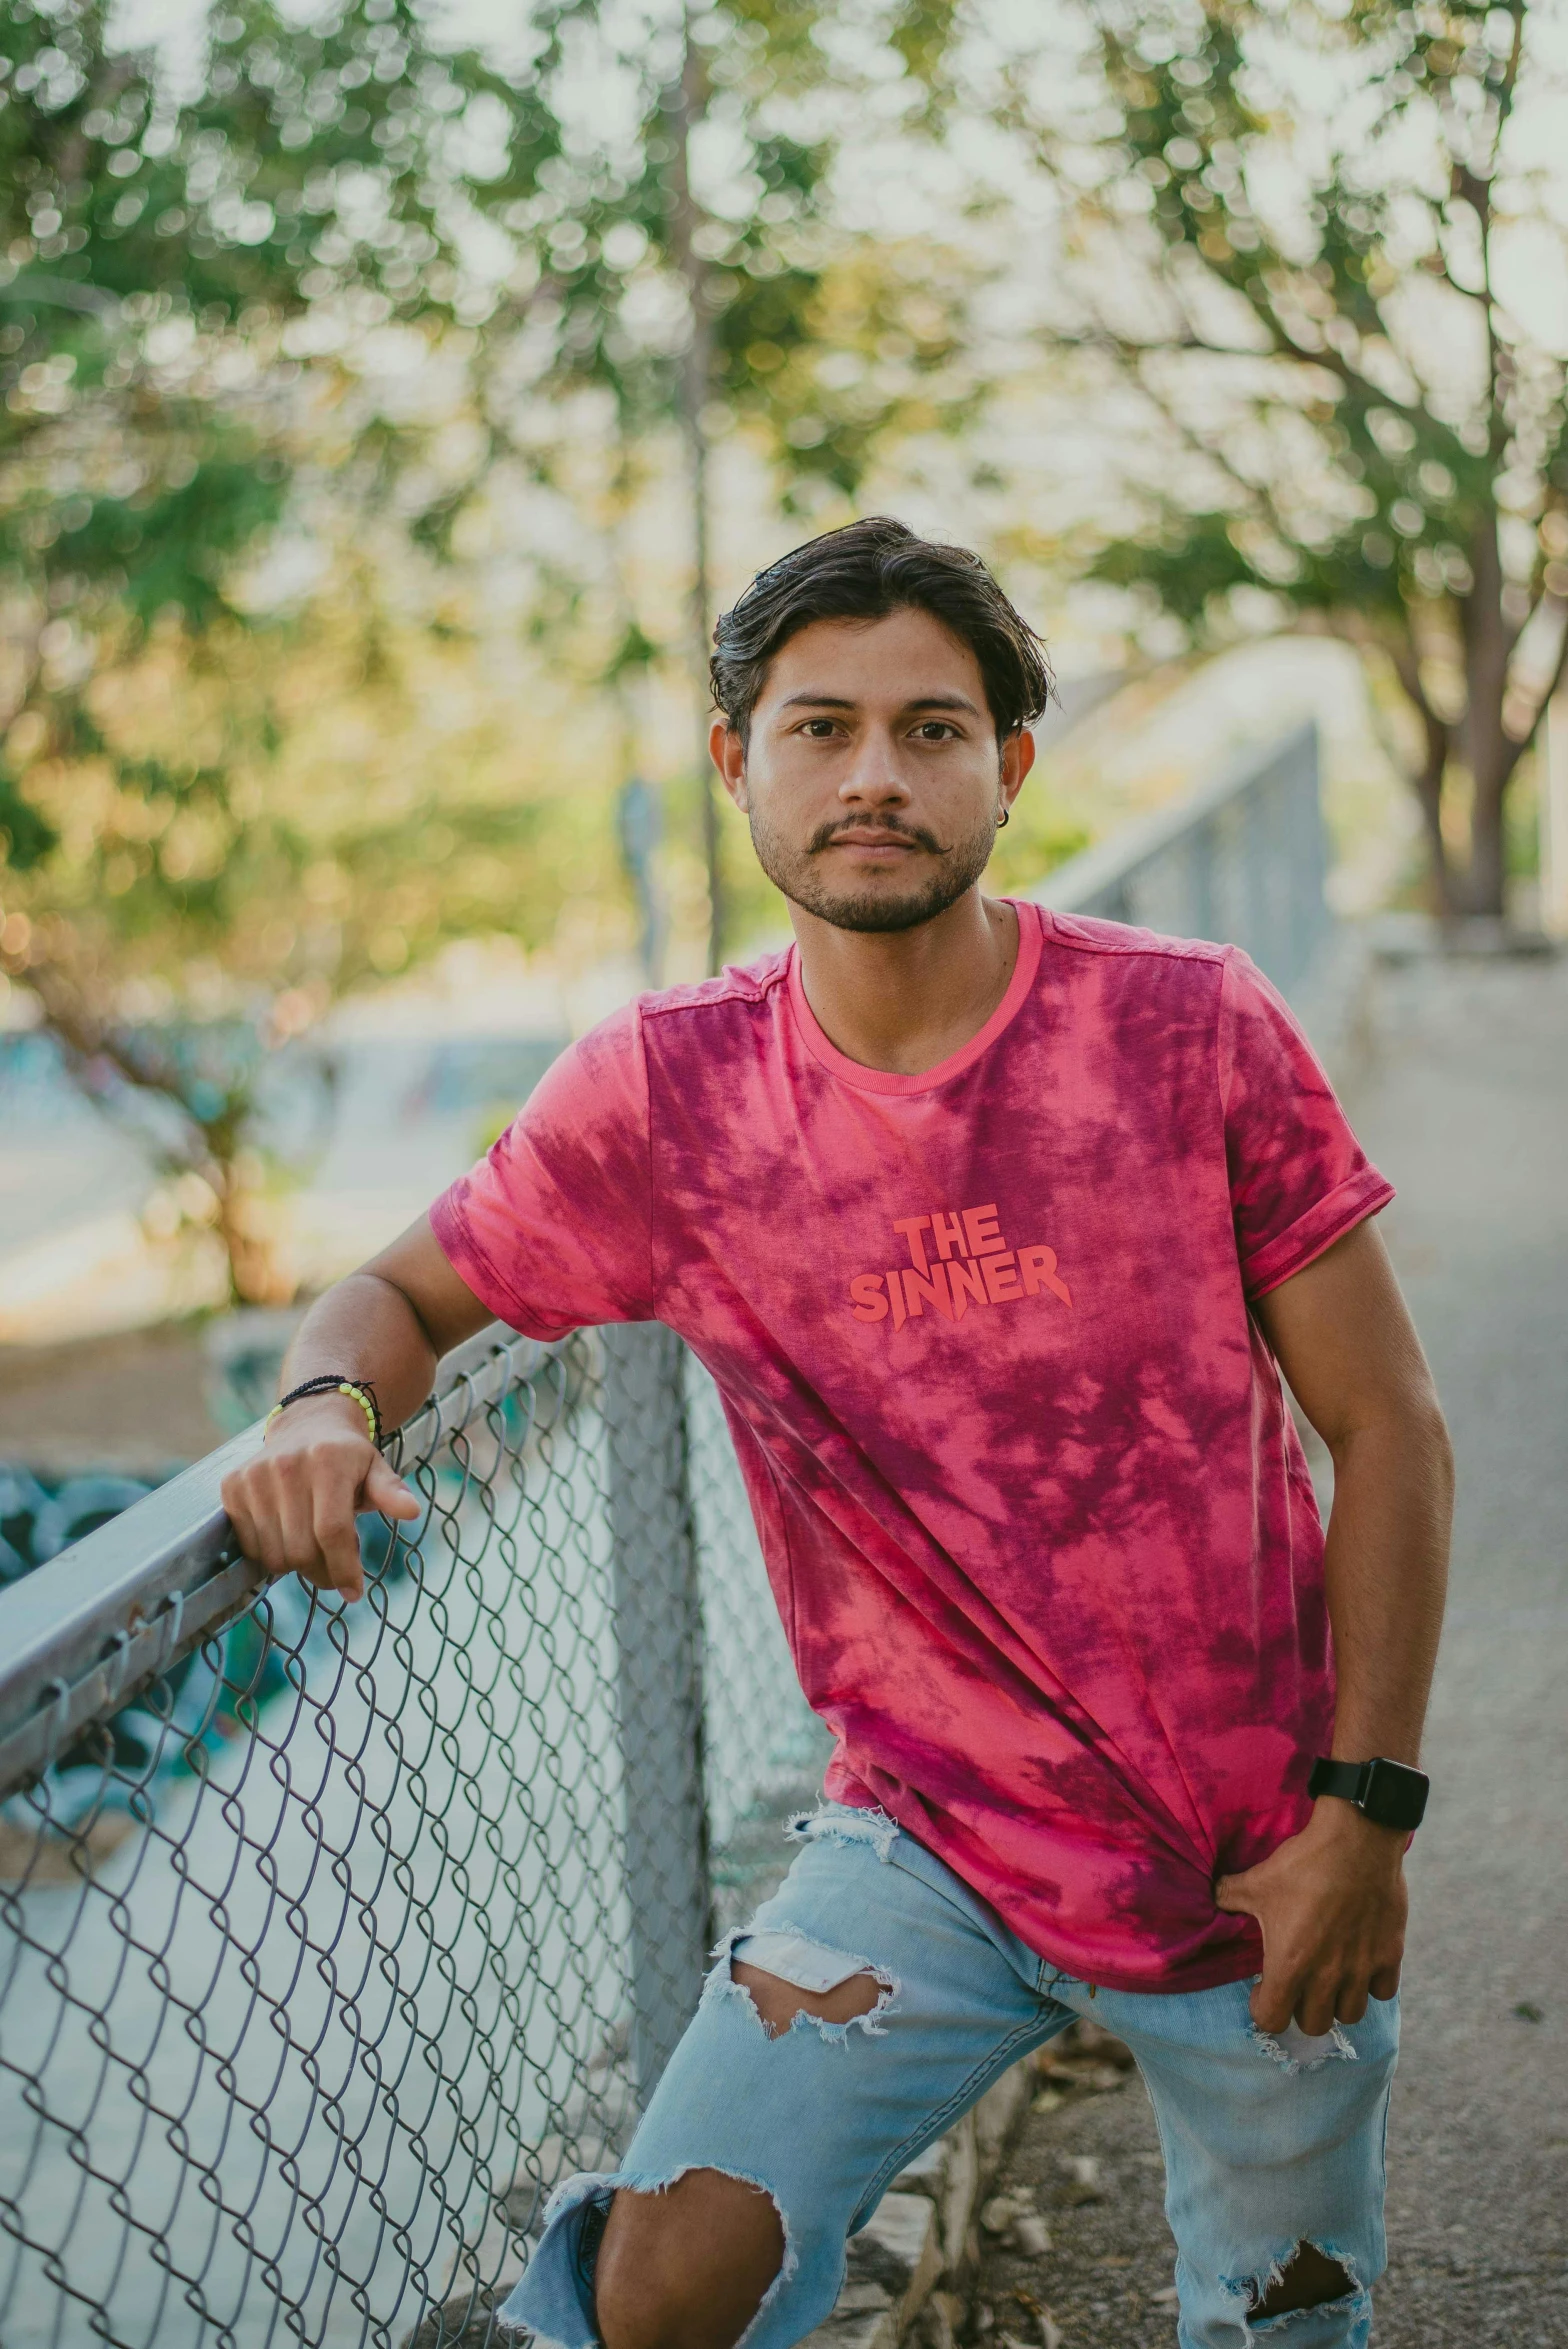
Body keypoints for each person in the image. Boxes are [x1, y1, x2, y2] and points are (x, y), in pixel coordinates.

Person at [222, 518, 1452, 2349]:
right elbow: (393, 1299)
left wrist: (1368, 1822)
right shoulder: (665, 1097)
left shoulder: (1188, 1027)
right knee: (661, 2291)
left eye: (934, 729)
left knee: (1280, 2321)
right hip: (926, 1840)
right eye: (821, 726)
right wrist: (322, 1403)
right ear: (738, 763)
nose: (876, 774)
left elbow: (1392, 1429)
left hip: (1259, 1847)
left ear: (1009, 768)